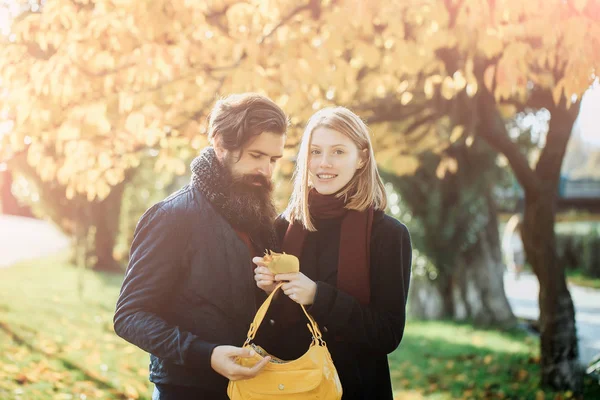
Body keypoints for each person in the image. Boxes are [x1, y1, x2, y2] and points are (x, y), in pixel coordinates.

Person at [113, 93, 288, 399]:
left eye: (273, 160)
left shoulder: (260, 221)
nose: (266, 170)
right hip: (186, 390)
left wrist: (272, 292)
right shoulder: (172, 217)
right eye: (256, 156)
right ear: (221, 144)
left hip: (255, 389)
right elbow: (130, 316)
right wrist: (207, 354)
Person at [252, 106, 412, 400]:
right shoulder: (282, 227)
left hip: (356, 385)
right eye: (315, 152)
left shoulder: (389, 235)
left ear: (361, 158)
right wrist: (268, 290)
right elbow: (265, 324)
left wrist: (318, 296)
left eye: (338, 152)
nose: (324, 163)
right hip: (287, 386)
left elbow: (387, 333)